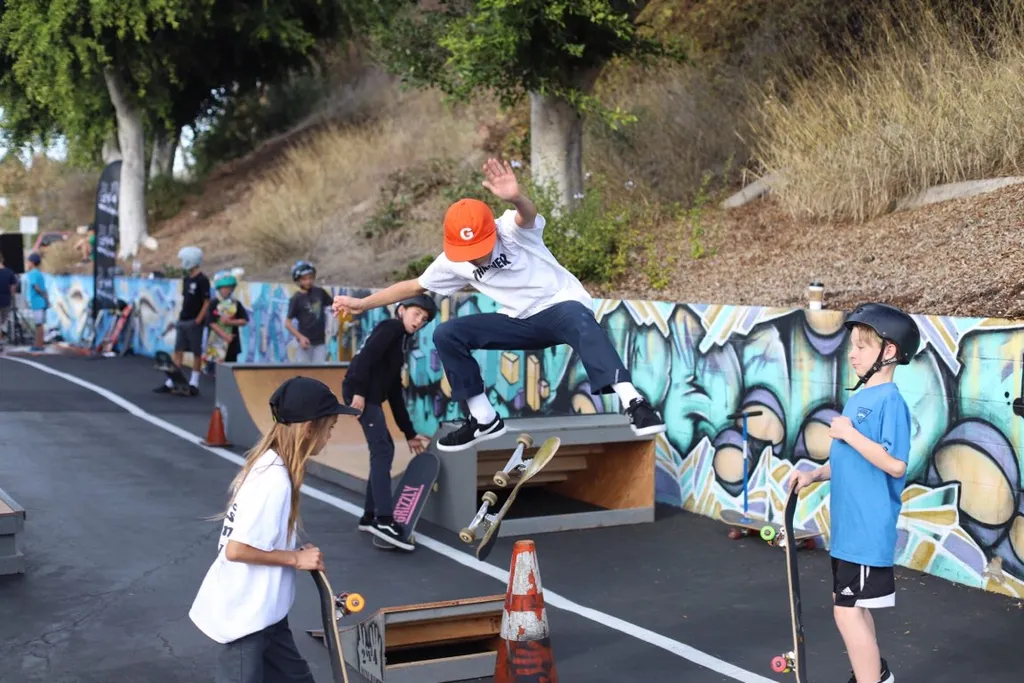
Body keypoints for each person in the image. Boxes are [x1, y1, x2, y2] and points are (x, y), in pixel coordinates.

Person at [332, 158, 666, 452]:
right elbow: (413, 285)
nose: (476, 257)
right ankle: (483, 419)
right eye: (469, 252)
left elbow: (527, 216)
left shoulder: (509, 229)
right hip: (520, 322)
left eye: (480, 247)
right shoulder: (452, 261)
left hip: (560, 306)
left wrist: (517, 197)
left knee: (580, 318)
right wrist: (364, 303)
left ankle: (634, 402)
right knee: (448, 333)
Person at [189, 375, 361, 683]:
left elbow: (258, 538)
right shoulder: (274, 481)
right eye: (330, 428)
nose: (329, 437)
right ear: (309, 428)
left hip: (268, 610)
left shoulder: (273, 465)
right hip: (247, 617)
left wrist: (293, 552)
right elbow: (237, 549)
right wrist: (296, 560)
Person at [789, 302, 919, 683]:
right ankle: (874, 675)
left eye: (862, 346)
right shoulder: (861, 398)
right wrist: (817, 473)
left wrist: (849, 433)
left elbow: (895, 464)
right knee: (851, 608)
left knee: (846, 611)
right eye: (852, 347)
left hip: (866, 529)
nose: (853, 354)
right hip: (847, 529)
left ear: (889, 351)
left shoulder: (889, 400)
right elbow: (852, 461)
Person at [342, 294, 436, 549]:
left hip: (370, 394)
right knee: (382, 449)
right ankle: (383, 519)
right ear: (401, 310)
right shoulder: (391, 327)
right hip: (361, 392)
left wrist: (409, 433)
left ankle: (370, 515)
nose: (419, 321)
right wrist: (359, 393)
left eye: (425, 320)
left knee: (384, 449)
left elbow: (394, 391)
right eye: (416, 314)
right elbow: (365, 358)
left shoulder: (400, 342)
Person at [155, 246, 211, 395]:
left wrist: (199, 319)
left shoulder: (202, 280)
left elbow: (207, 301)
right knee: (178, 350)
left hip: (194, 321)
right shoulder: (186, 279)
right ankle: (172, 380)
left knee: (196, 352)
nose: (182, 263)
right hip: (183, 319)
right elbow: (186, 300)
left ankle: (194, 382)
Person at [285, 260, 334, 364]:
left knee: (320, 373)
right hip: (305, 343)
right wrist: (300, 337)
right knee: (305, 373)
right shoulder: (296, 299)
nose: (308, 281)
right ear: (298, 280)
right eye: (304, 279)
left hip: (320, 342)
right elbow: (288, 323)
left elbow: (333, 306)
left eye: (310, 278)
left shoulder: (320, 292)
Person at [207, 271, 249, 364]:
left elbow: (245, 320)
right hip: (216, 344)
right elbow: (211, 322)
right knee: (216, 372)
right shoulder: (213, 303)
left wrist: (230, 322)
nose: (227, 290)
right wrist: (224, 336)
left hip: (232, 345)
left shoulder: (236, 304)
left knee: (230, 369)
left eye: (230, 287)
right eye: (225, 288)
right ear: (219, 288)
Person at [24, 252, 49, 352]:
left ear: (32, 263)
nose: (27, 264)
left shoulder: (32, 273)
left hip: (37, 301)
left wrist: (41, 293)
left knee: (39, 324)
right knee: (39, 324)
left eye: (28, 262)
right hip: (41, 301)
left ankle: (39, 345)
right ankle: (39, 344)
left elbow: (35, 286)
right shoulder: (39, 273)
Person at [0, 252, 17, 351]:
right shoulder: (10, 272)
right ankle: (1, 342)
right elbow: (13, 289)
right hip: (6, 300)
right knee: (2, 322)